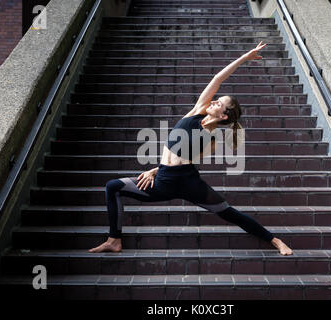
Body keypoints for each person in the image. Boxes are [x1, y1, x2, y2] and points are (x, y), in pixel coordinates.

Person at [89, 41, 293, 256]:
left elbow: (186, 159)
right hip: (163, 180)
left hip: (188, 181)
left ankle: (275, 240)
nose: (213, 101)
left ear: (223, 116)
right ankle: (114, 240)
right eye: (215, 100)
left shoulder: (213, 139)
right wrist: (244, 58)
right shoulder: (196, 111)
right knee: (113, 186)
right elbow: (217, 78)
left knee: (227, 212)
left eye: (218, 104)